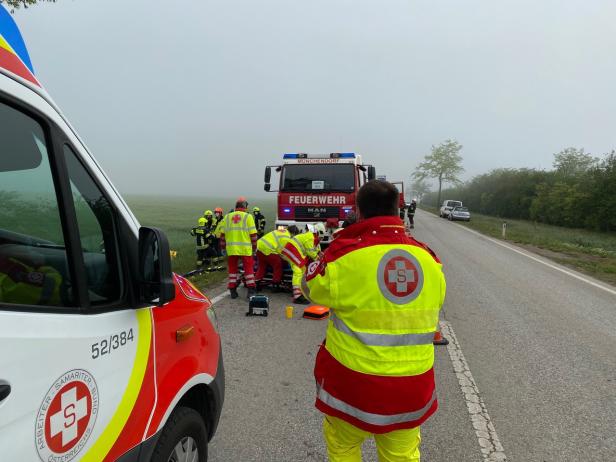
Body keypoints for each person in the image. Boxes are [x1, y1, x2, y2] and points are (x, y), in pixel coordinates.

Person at [302, 180, 446, 462]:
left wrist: (330, 250)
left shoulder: (344, 256)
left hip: (352, 386)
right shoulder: (429, 260)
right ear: (398, 209)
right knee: (402, 456)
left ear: (358, 211)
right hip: (411, 388)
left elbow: (310, 291)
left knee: (343, 448)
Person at [220, 197, 258, 299]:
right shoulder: (248, 217)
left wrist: (223, 247)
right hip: (245, 249)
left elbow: (222, 235)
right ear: (245, 207)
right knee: (248, 270)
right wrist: (254, 248)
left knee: (232, 270)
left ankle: (232, 290)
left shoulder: (227, 217)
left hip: (231, 249)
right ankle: (251, 290)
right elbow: (253, 235)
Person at [282, 223, 322, 304]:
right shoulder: (310, 237)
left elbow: (317, 249)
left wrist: (319, 254)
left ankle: (298, 290)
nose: (322, 238)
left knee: (302, 269)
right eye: (321, 235)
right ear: (318, 232)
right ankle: (297, 296)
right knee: (298, 271)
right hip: (292, 250)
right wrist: (318, 259)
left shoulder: (313, 238)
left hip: (292, 250)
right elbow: (310, 252)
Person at [254, 226, 294, 291]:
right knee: (278, 265)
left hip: (259, 247)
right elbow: (282, 253)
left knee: (262, 266)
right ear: (293, 233)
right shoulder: (286, 237)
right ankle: (275, 285)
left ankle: (256, 283)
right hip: (268, 250)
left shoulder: (281, 230)